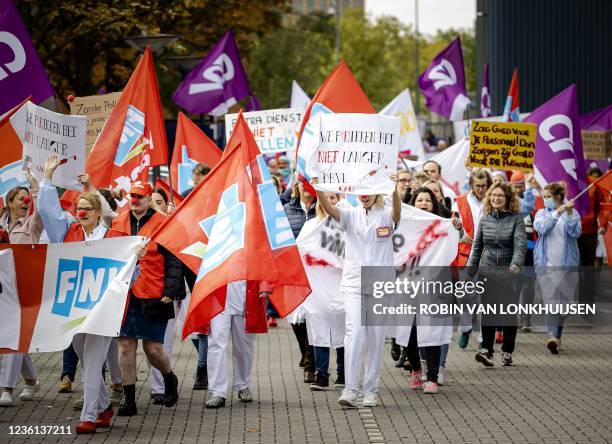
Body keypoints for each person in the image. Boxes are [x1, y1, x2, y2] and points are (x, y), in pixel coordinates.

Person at [37, 155, 143, 434]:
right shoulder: (67, 232)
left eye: (87, 208)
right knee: (85, 358)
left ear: (98, 212)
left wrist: (135, 259)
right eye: (78, 208)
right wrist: (47, 180)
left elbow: (132, 276)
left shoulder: (114, 239)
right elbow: (49, 213)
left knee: (94, 361)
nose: (81, 212)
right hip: (73, 309)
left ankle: (88, 416)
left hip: (101, 311)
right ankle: (105, 406)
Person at [316, 175, 401, 408]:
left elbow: (396, 212)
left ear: (376, 192)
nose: (364, 194)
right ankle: (350, 389)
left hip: (380, 284)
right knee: (354, 332)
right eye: (360, 190)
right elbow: (329, 209)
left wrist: (392, 189)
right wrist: (319, 188)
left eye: (368, 190)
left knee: (374, 337)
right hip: (353, 282)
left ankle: (371, 390)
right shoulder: (351, 214)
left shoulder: (385, 215)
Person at [111, 181, 184, 416]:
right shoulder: (119, 221)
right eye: (132, 196)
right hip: (125, 294)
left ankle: (169, 378)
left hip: (154, 293)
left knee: (153, 349)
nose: (135, 201)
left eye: (140, 197)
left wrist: (170, 291)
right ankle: (128, 399)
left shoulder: (163, 223)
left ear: (149, 198)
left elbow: (174, 260)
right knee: (125, 345)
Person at [396, 187, 453, 394]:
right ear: (413, 203)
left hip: (433, 285)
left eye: (427, 200)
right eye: (419, 200)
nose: (423, 203)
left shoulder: (443, 223)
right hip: (407, 285)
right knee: (409, 331)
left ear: (433, 203)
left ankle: (432, 377)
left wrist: (457, 227)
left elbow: (459, 235)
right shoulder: (404, 224)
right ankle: (416, 370)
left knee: (432, 331)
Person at [467, 183, 527, 367]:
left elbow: (520, 245)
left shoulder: (517, 219)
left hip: (510, 273)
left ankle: (507, 351)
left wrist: (516, 263)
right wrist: (470, 269)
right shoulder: (485, 219)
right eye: (493, 195)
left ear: (508, 198)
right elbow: (477, 246)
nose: (496, 198)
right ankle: (487, 351)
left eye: (500, 195)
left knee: (508, 313)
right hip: (487, 271)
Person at [0, 172, 43, 407]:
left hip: (24, 289)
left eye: (28, 199)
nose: (25, 203)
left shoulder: (32, 223)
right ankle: (31, 380)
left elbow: (42, 211)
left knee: (13, 333)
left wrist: (35, 186)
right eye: (21, 199)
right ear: (9, 202)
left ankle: (6, 388)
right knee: (14, 336)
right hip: (1, 288)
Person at [298, 196, 346, 391]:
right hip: (318, 287)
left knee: (343, 331)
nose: (329, 201)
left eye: (333, 197)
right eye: (326, 198)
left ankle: (343, 374)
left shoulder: (347, 225)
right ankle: (322, 375)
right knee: (319, 331)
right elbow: (298, 250)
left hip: (340, 285)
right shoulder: (310, 227)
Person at [534, 183, 581, 354]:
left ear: (558, 197)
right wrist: (557, 212)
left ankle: (557, 336)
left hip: (567, 265)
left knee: (565, 305)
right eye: (544, 196)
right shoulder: (541, 213)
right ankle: (552, 336)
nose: (545, 199)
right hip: (547, 265)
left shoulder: (573, 213)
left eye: (548, 197)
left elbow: (575, 233)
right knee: (552, 303)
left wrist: (568, 213)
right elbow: (542, 228)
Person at [204, 280, 265, 408]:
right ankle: (217, 392)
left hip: (245, 298)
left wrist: (265, 285)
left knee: (244, 347)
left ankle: (243, 385)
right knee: (216, 344)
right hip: (218, 297)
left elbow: (263, 263)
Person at [453, 169, 492, 349]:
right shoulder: (460, 201)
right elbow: (452, 225)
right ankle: (467, 326)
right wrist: (461, 234)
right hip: (466, 253)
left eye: (484, 186)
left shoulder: (495, 200)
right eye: (478, 186)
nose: (481, 189)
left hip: (488, 254)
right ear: (471, 185)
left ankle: (483, 337)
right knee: (464, 294)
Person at [283, 181, 317, 382]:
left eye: (310, 184)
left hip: (316, 271)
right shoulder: (287, 210)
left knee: (312, 315)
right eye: (303, 184)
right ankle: (305, 350)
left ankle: (311, 365)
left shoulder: (322, 210)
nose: (306, 188)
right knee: (295, 318)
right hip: (292, 271)